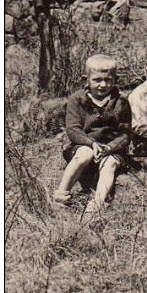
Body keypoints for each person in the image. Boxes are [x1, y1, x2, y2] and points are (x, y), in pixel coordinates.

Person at [53, 54, 131, 215]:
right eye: (97, 80)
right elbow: (73, 129)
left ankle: (97, 204)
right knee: (84, 154)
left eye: (108, 79)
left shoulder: (122, 101)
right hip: (84, 146)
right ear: (86, 79)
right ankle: (61, 195)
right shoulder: (77, 99)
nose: (103, 84)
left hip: (111, 149)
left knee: (109, 164)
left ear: (115, 79)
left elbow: (125, 133)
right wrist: (92, 143)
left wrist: (110, 147)